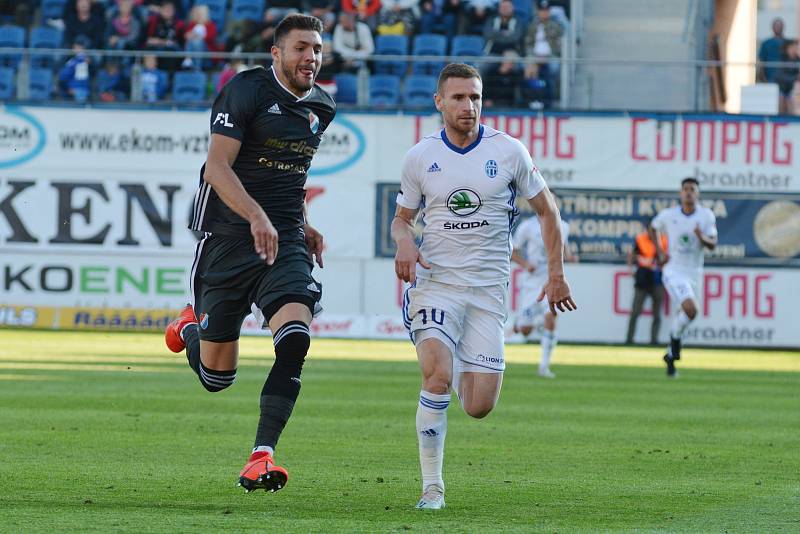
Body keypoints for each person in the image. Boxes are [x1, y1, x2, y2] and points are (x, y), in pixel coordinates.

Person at [164, 14, 335, 494]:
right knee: (217, 380)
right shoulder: (245, 91)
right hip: (226, 239)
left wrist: (302, 223)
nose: (311, 58)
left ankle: (261, 456)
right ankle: (190, 326)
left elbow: (290, 176)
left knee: (296, 338)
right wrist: (255, 216)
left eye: (317, 49)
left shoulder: (322, 106)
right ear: (276, 53)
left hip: (282, 241)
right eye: (301, 48)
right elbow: (217, 168)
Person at [392, 63, 576, 509]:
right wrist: (405, 244)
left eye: (474, 97)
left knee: (478, 406)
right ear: (440, 102)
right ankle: (432, 487)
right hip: (435, 285)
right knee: (436, 376)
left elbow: (548, 211)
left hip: (487, 293)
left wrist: (555, 274)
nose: (468, 106)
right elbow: (401, 220)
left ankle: (457, 368)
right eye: (458, 97)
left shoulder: (509, 151)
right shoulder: (420, 157)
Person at [652, 177, 717, 378]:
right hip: (674, 270)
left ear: (697, 194)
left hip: (695, 272)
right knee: (690, 308)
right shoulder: (669, 215)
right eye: (685, 189)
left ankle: (671, 355)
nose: (688, 192)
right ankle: (675, 349)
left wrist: (701, 237)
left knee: (687, 315)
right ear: (681, 193)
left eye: (692, 189)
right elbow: (654, 226)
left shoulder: (706, 216)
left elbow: (713, 244)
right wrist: (660, 253)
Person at [510, 205, 577, 378]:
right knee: (525, 330)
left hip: (552, 280)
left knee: (551, 316)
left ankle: (544, 366)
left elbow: (564, 250)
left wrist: (570, 257)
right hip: (532, 284)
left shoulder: (563, 226)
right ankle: (520, 325)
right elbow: (512, 250)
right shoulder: (528, 226)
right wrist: (525, 264)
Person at [624, 219, 667, 346]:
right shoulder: (641, 239)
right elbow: (632, 255)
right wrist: (630, 268)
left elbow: (666, 257)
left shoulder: (664, 240)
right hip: (642, 278)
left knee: (657, 313)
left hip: (657, 278)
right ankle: (629, 340)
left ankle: (654, 340)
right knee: (635, 311)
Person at [757, 18, 785, 85]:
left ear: (783, 27)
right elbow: (761, 62)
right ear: (772, 27)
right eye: (776, 26)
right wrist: (764, 80)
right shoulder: (766, 43)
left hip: (785, 81)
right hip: (770, 80)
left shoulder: (788, 43)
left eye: (780, 26)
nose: (778, 28)